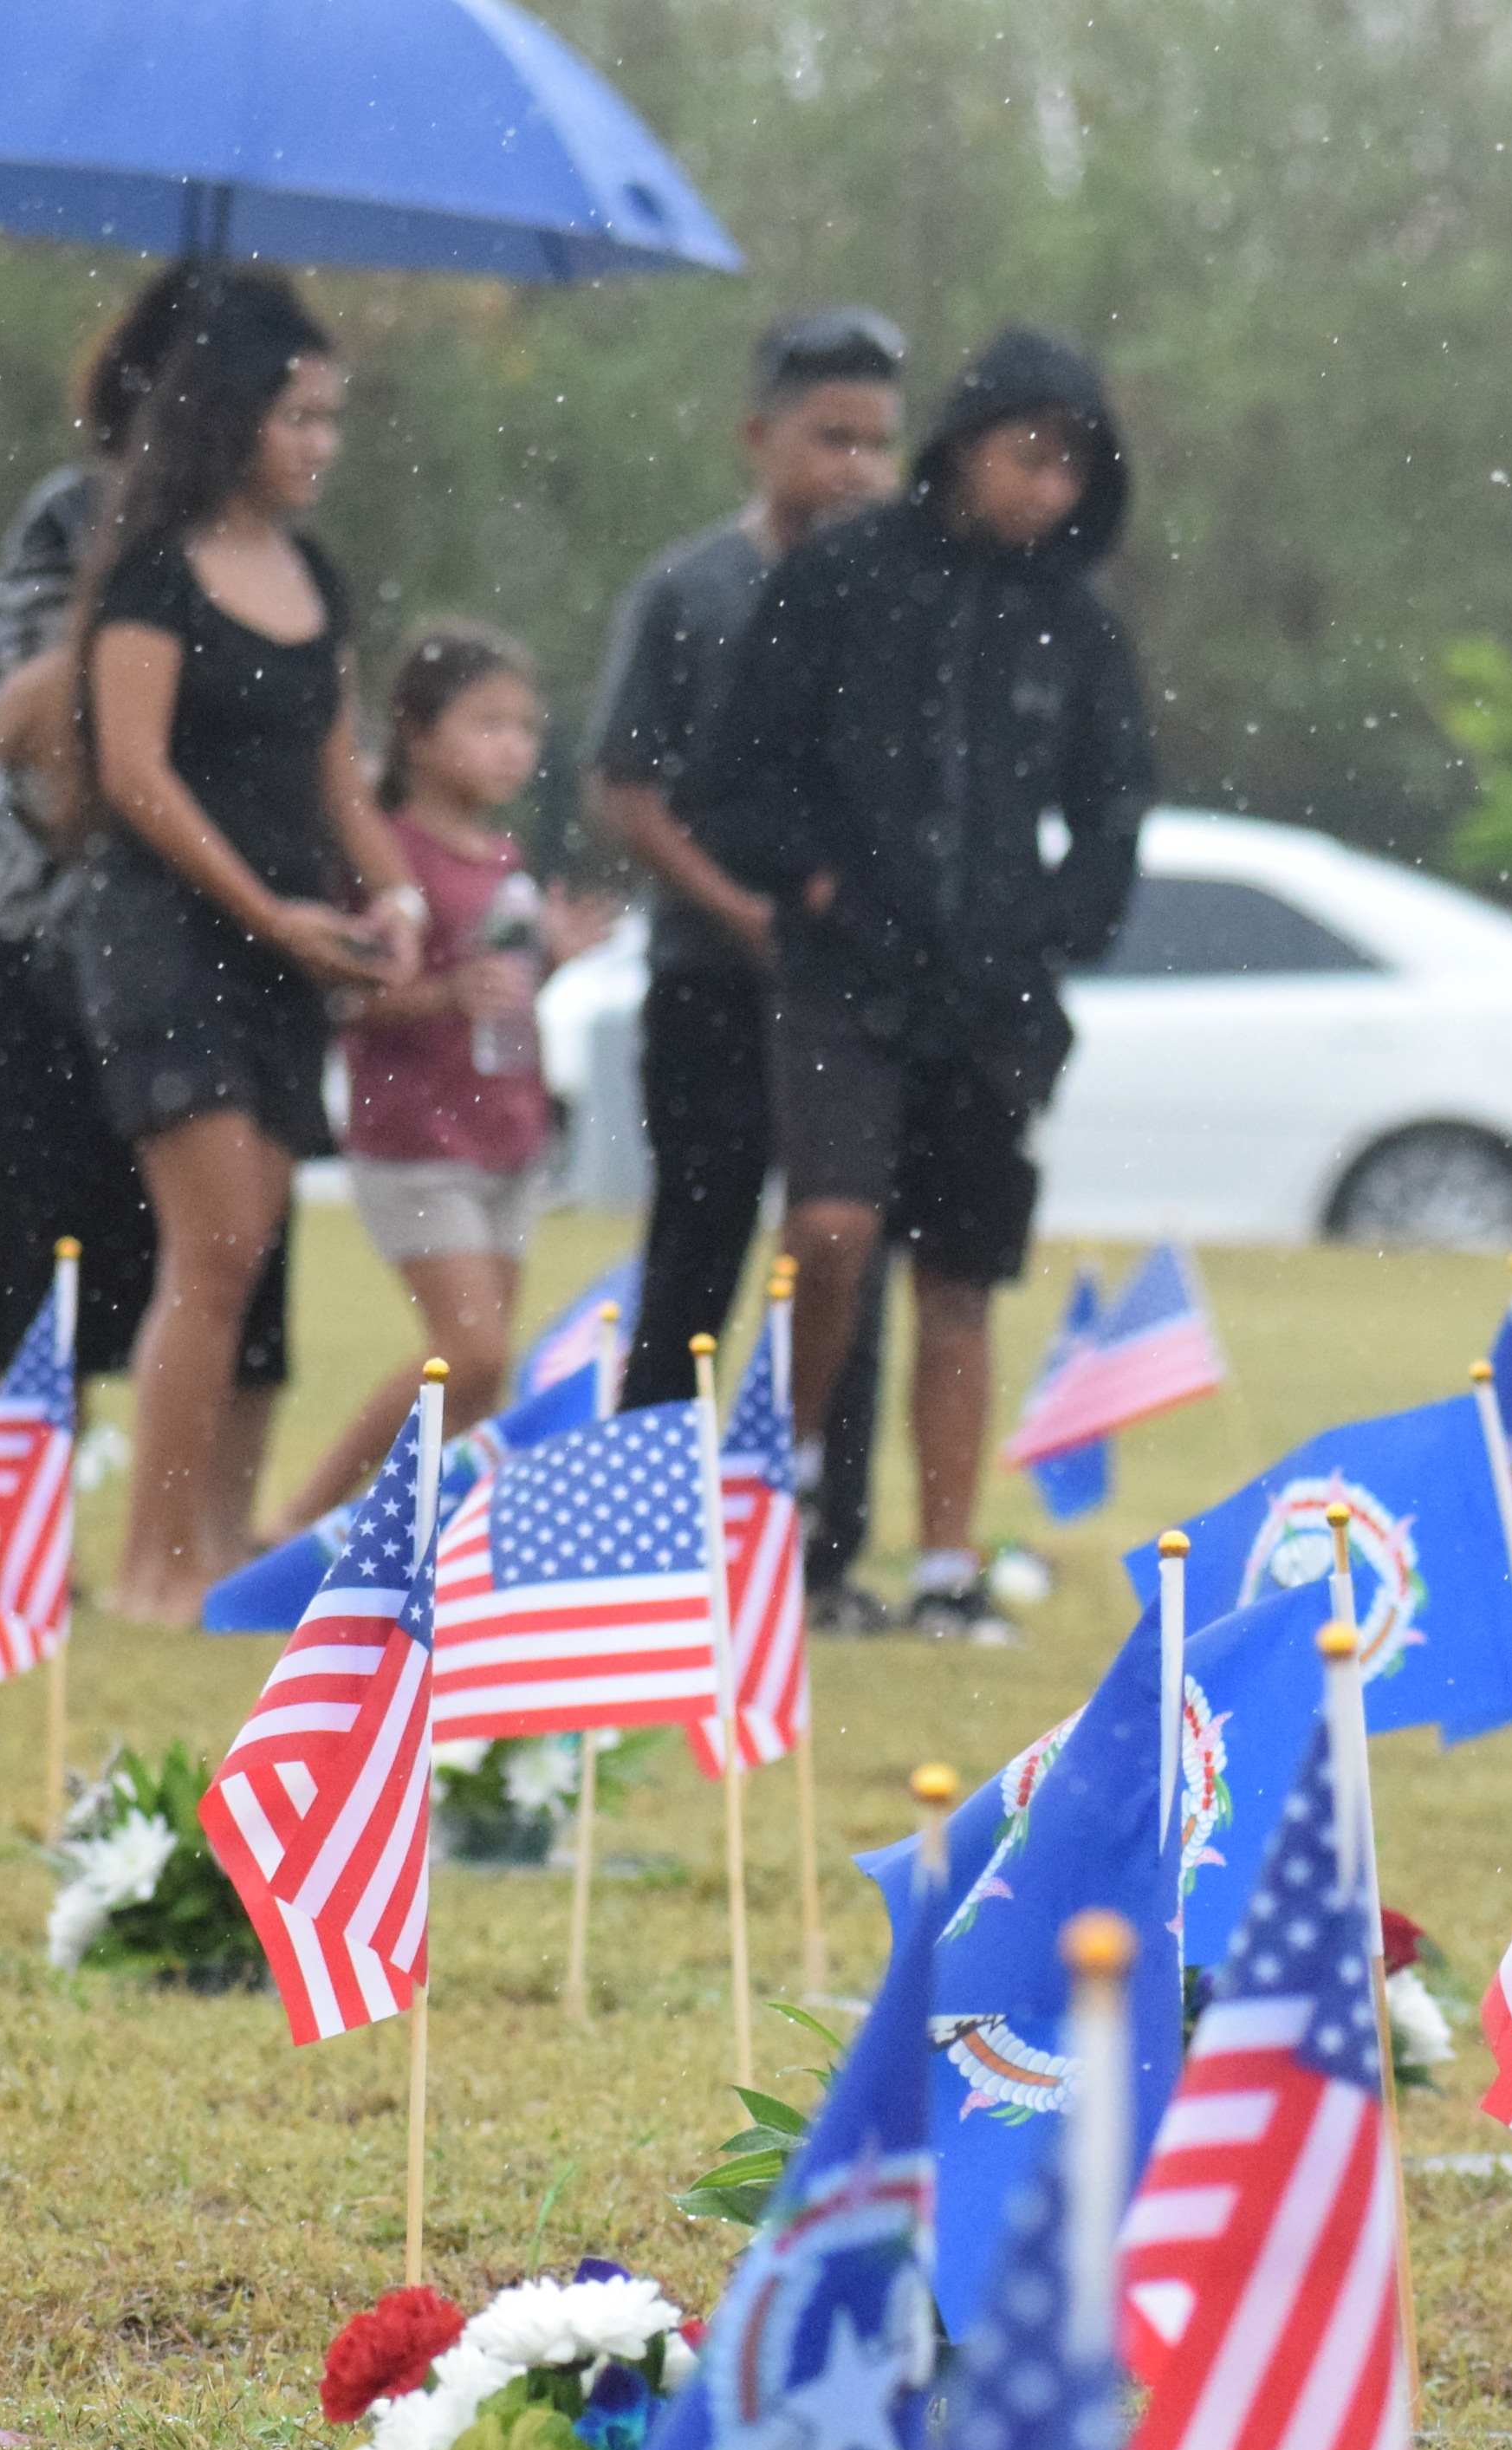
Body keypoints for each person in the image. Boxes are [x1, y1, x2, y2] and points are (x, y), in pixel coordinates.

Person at [678, 328, 1156, 1641]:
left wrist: (1057, 919)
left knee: (961, 1276)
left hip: (993, 996)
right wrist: (819, 881)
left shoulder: (1076, 626)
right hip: (845, 977)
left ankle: (949, 1566)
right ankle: (791, 1484)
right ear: (963, 446)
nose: (1047, 490)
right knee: (828, 1232)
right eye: (1028, 456)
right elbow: (734, 777)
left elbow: (1115, 800)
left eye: (1074, 468)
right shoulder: (839, 581)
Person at [62, 265, 423, 1621]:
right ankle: (154, 1570)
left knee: (245, 1252)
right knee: (210, 1249)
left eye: (334, 419)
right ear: (228, 419)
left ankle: (206, 1549)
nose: (323, 446)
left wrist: (400, 900)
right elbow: (137, 777)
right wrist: (270, 913)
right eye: (300, 419)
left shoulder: (312, 576)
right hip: (168, 940)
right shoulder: (153, 578)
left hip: (291, 954)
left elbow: (337, 779)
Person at [591, 304, 906, 1610]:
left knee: (849, 1250)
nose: (856, 469)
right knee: (700, 1245)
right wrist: (740, 909)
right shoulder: (692, 591)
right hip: (713, 979)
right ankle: (640, 1534)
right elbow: (622, 789)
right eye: (830, 438)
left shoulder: (900, 591)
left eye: (880, 444)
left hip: (860, 989)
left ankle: (814, 1540)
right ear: (759, 434)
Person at [0, 269, 296, 1426]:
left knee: (231, 1253)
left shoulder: (266, 542)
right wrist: (130, 594)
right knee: (43, 1249)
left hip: (223, 927)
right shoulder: (74, 515)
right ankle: (22, 1524)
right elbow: (16, 727)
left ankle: (201, 1527)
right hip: (56, 926)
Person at [271, 621, 607, 1530]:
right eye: (487, 723)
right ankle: (305, 1518)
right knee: (466, 1349)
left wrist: (555, 964)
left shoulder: (505, 859)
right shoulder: (388, 859)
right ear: (416, 735)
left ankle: (440, 1540)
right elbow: (353, 998)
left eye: (526, 727)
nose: (514, 747)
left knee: (482, 1372)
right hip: (417, 1137)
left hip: (505, 1133)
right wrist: (445, 992)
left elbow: (501, 991)